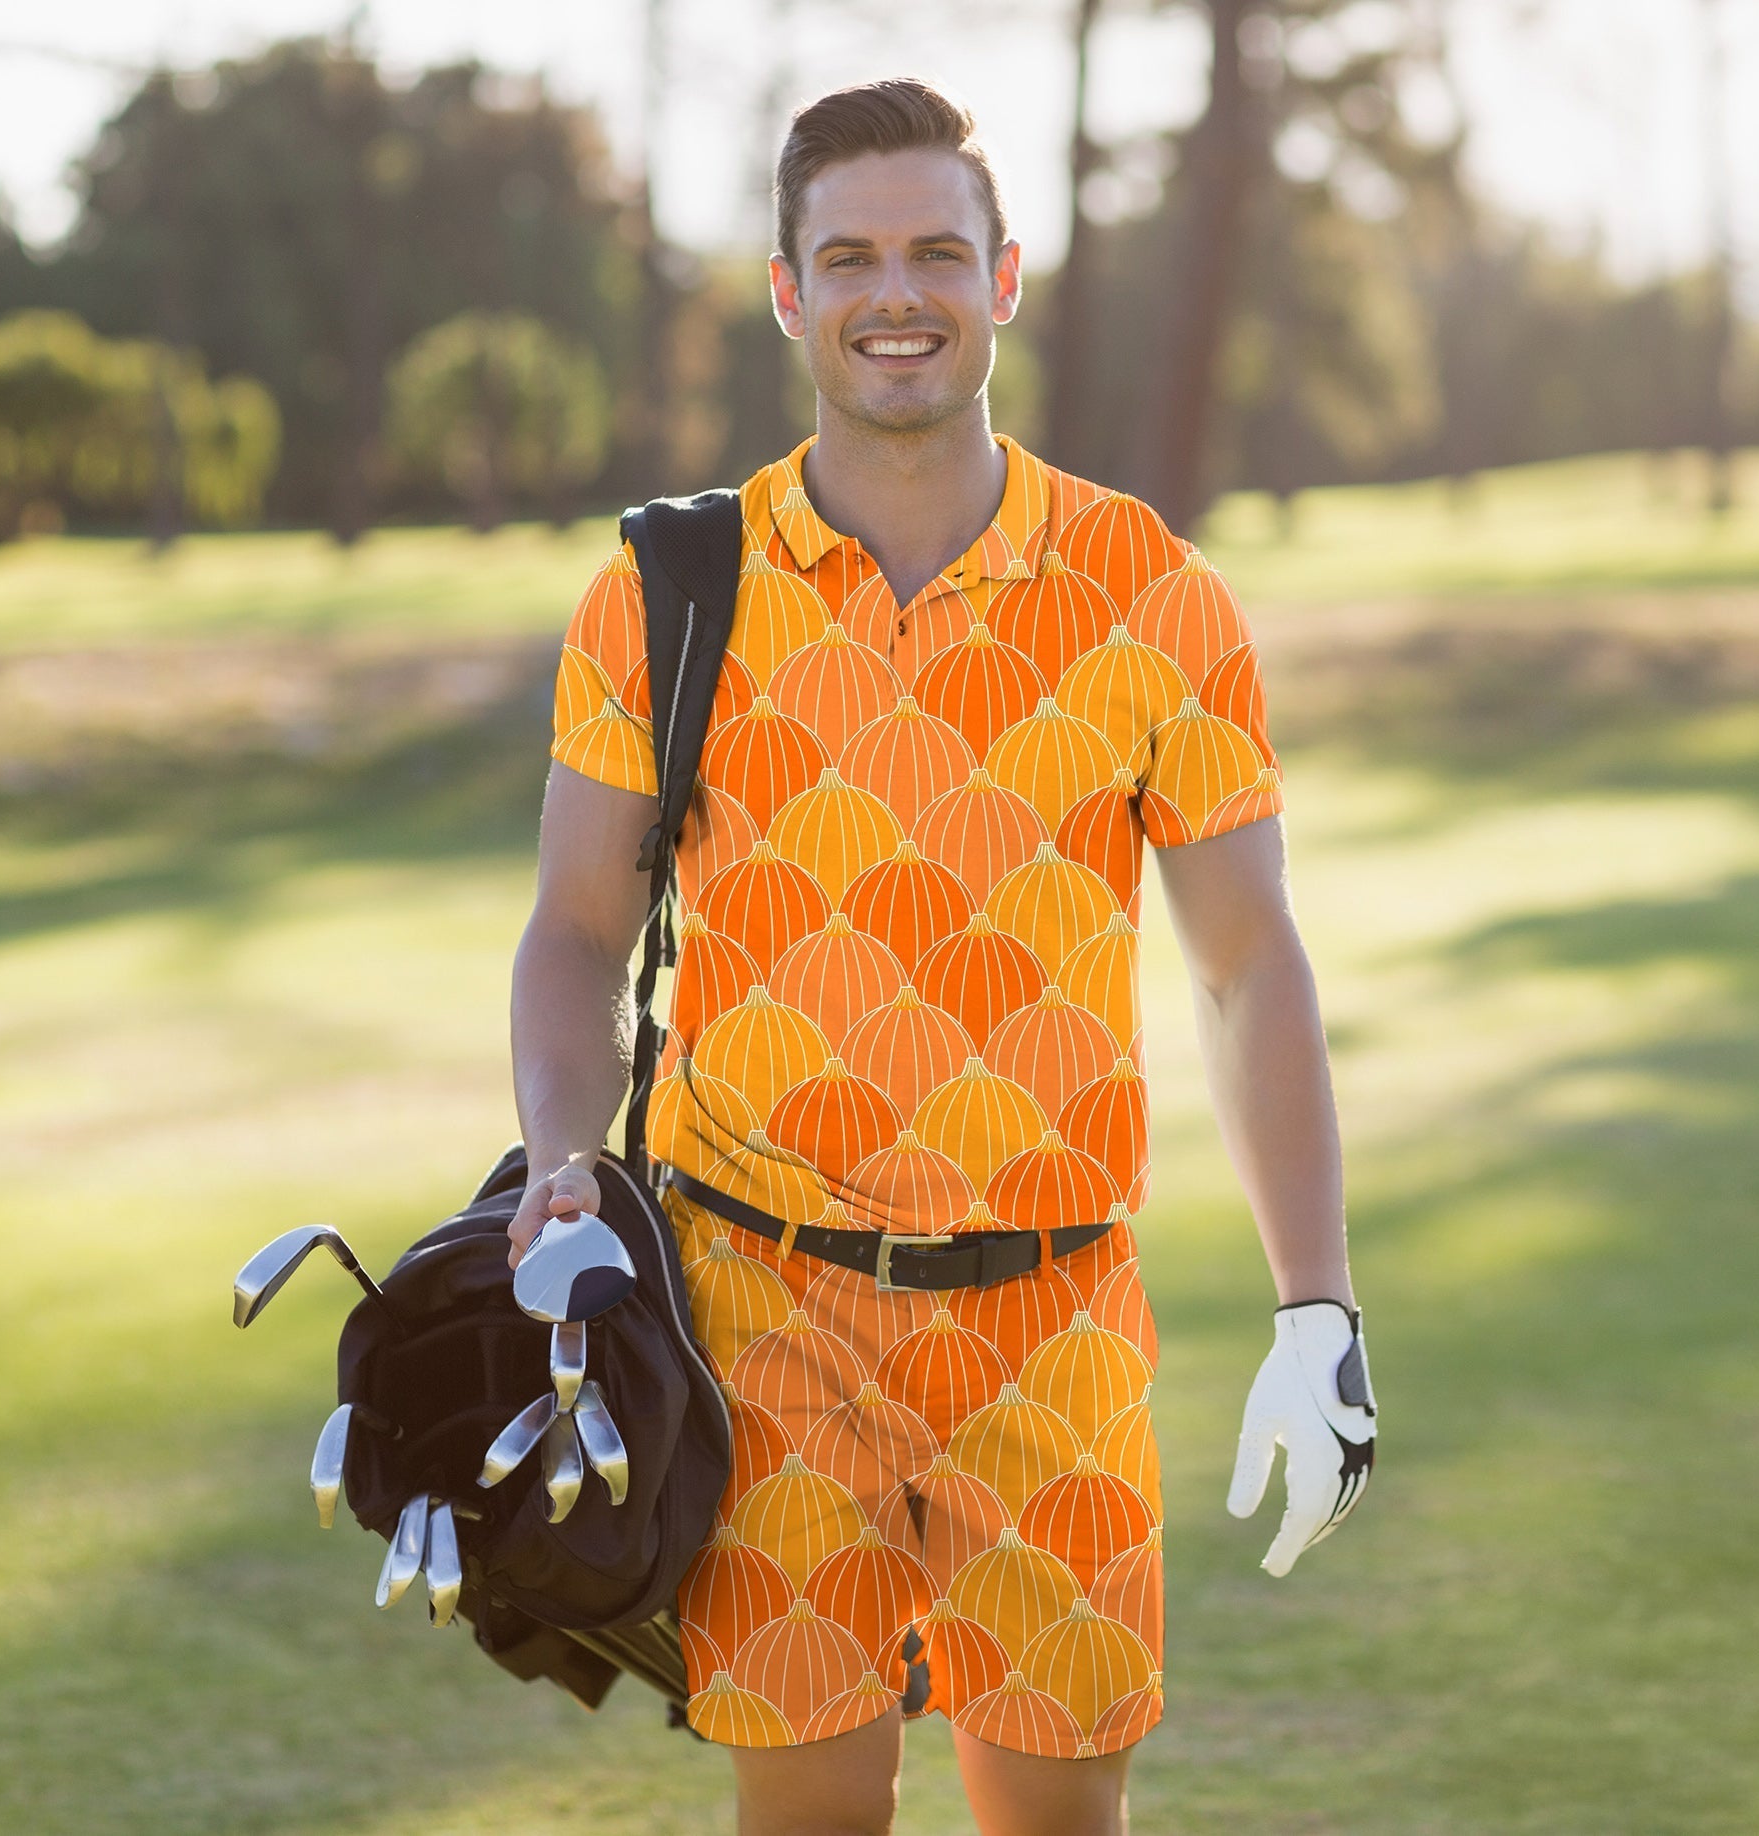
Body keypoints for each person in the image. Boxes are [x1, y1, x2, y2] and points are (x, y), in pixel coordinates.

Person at [507, 77, 1372, 1836]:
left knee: (1058, 1816)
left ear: (1007, 276)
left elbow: (1247, 967)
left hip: (1055, 1318)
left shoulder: (1151, 590)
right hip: (758, 1304)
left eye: (934, 253)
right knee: (810, 1815)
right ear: (787, 291)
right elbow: (578, 929)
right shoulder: (675, 588)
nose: (895, 291)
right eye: (851, 257)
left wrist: (1318, 1307)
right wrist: (561, 1163)